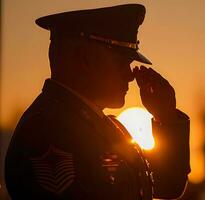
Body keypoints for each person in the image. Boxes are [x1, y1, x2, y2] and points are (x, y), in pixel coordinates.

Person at [5, 4, 190, 200]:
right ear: (85, 59)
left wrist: (166, 116)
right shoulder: (46, 131)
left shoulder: (103, 126)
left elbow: (166, 184)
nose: (130, 76)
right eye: (122, 63)